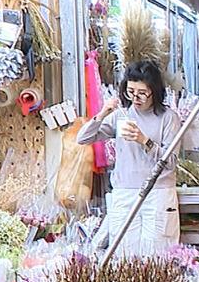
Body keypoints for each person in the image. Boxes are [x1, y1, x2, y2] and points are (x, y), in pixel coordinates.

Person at [78, 60, 184, 256]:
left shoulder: (169, 118)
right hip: (124, 192)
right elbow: (83, 138)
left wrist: (145, 141)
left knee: (157, 255)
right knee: (124, 256)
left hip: (157, 193)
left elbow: (171, 163)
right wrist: (102, 113)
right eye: (130, 91)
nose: (136, 98)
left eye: (142, 93)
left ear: (154, 91)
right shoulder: (122, 115)